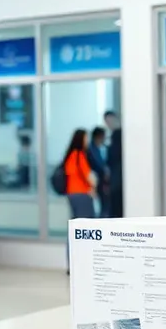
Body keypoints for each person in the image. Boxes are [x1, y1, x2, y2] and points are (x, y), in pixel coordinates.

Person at [62, 128, 97, 269]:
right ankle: (84, 264)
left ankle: (72, 264)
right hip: (82, 195)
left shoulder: (70, 155)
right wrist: (94, 186)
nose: (87, 141)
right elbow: (90, 177)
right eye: (86, 138)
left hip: (71, 195)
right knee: (86, 231)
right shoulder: (79, 155)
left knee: (74, 230)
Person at [88, 126, 110, 217]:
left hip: (101, 182)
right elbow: (98, 166)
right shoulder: (91, 150)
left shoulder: (102, 148)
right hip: (97, 182)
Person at [104, 111, 123, 217]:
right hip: (116, 181)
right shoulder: (115, 136)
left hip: (118, 181)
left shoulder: (117, 135)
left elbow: (112, 157)